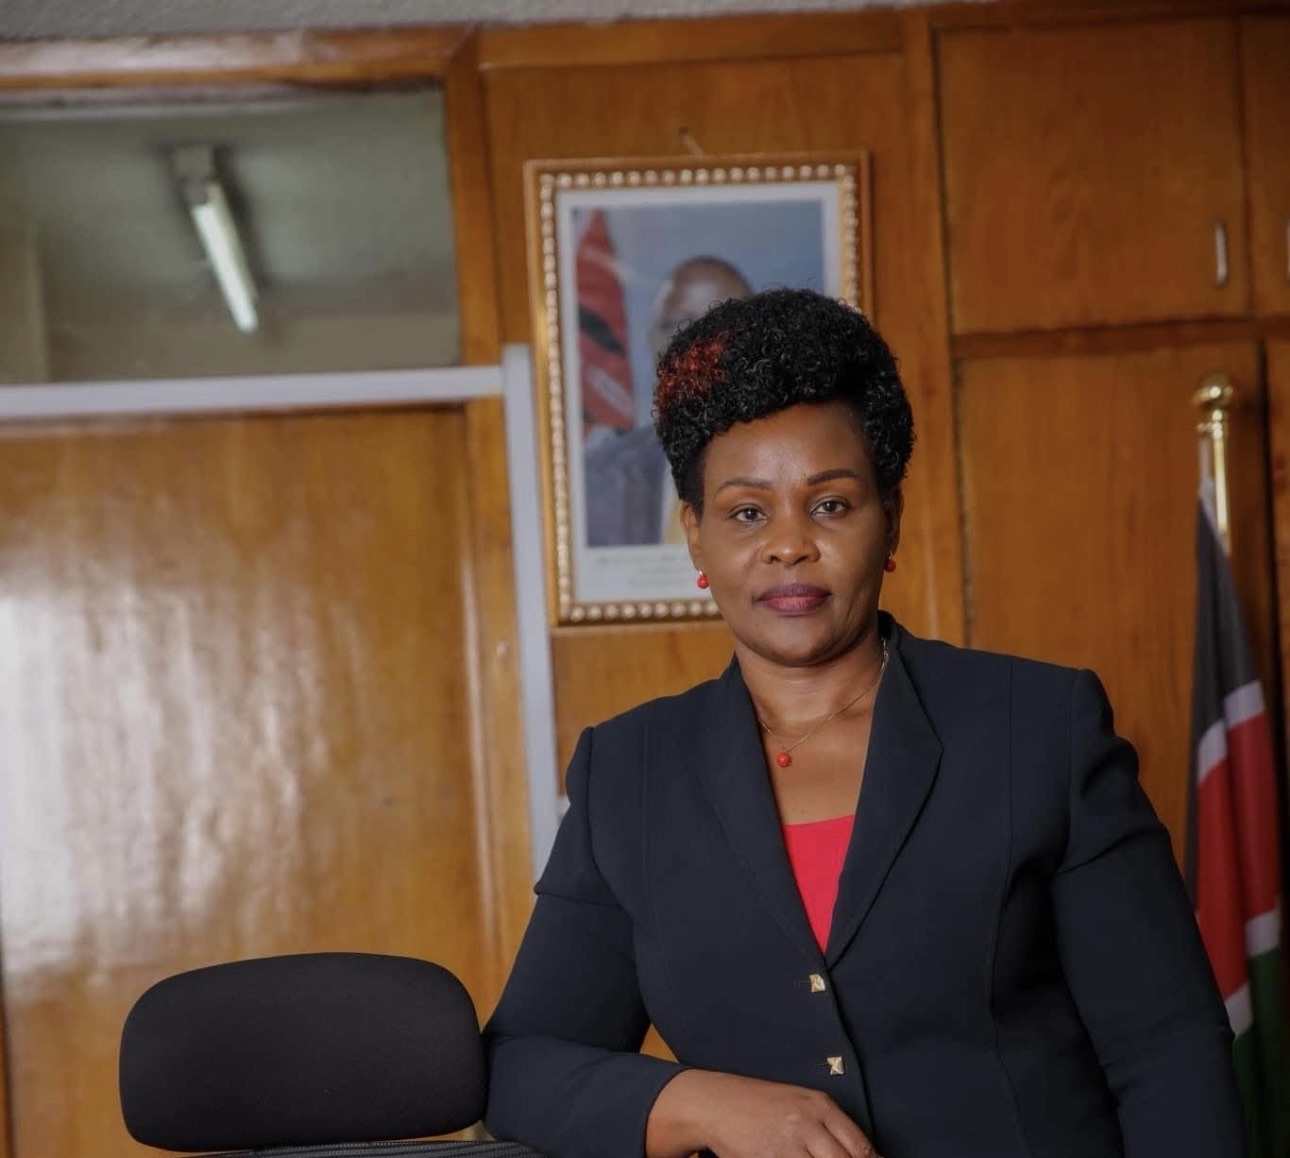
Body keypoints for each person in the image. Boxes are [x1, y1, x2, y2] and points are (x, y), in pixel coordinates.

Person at [485, 288, 1244, 1158]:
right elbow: (521, 1064)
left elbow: (1168, 1052)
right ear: (695, 537)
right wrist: (707, 1106)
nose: (788, 544)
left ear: (891, 519)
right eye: (745, 512)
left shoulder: (1037, 729)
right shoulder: (629, 774)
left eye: (831, 504)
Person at [583, 255, 751, 548]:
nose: (697, 345)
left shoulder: (794, 466)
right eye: (678, 325)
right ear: (652, 343)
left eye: (720, 325)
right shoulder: (597, 479)